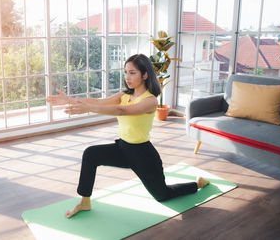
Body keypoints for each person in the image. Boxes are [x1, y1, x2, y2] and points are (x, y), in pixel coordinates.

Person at [46, 54, 210, 218]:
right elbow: (98, 101)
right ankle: (85, 202)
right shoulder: (123, 96)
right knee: (91, 154)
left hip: (143, 155)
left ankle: (196, 184)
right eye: (125, 72)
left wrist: (88, 108)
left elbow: (122, 111)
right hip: (123, 149)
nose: (127, 77)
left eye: (132, 73)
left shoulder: (150, 101)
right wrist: (69, 99)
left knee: (163, 195)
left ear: (145, 75)